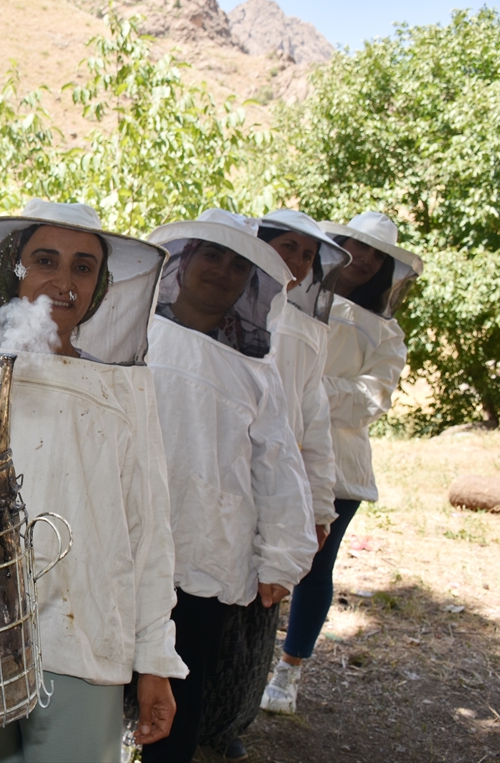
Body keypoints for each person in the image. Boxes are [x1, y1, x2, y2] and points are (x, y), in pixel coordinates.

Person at [0, 199, 186, 763]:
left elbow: (147, 526)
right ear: (13, 269)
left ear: (100, 286)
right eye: (46, 260)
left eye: (83, 267)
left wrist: (155, 661)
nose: (64, 281)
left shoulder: (122, 388)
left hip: (83, 630)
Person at [140, 209, 316, 763]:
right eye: (211, 255)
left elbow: (278, 465)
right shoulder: (132, 334)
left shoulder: (258, 372)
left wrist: (283, 556)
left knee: (179, 702)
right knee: (103, 688)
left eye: (238, 264)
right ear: (183, 262)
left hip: (207, 552)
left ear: (250, 285)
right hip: (125, 539)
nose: (221, 270)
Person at [194, 209, 352, 761]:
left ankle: (224, 720)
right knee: (189, 607)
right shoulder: (212, 307)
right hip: (211, 483)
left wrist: (319, 506)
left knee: (252, 620)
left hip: (271, 489)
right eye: (289, 247)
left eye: (309, 255)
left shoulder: (308, 333)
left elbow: (311, 422)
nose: (299, 262)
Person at [262, 212, 423, 716]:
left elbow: (371, 398)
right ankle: (239, 669)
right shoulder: (292, 299)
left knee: (313, 566)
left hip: (338, 467)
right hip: (269, 444)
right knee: (258, 558)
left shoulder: (386, 334)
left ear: (385, 268)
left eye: (375, 255)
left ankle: (289, 670)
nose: (364, 259)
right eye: (355, 246)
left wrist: (310, 388)